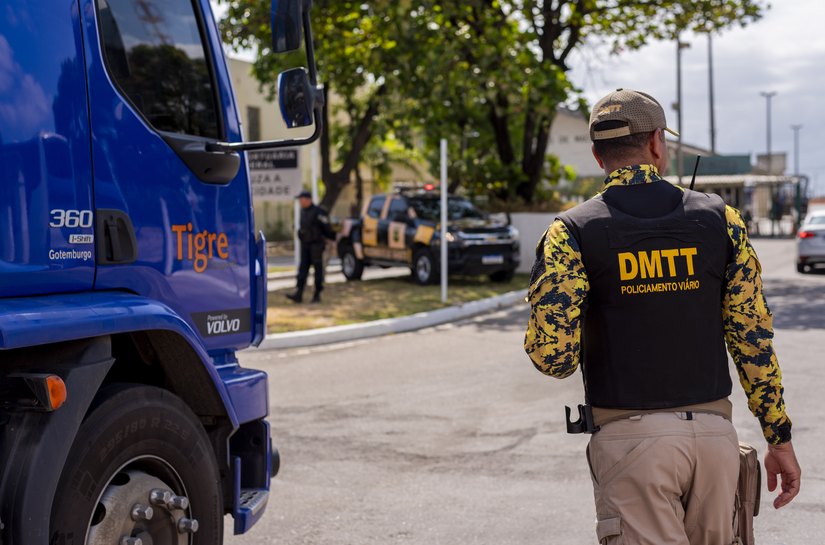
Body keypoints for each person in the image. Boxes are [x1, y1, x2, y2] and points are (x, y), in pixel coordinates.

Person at [524, 89, 801, 545]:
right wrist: (779, 439)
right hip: (716, 443)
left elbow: (552, 358)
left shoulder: (571, 232)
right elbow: (752, 341)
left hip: (629, 445)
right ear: (657, 143)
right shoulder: (722, 220)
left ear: (597, 154)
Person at [286, 191, 335, 303]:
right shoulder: (303, 212)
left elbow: (327, 228)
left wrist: (330, 238)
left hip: (316, 245)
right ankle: (299, 293)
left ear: (308, 199)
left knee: (318, 270)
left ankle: (317, 295)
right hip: (306, 245)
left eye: (301, 199)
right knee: (302, 270)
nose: (300, 202)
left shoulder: (319, 212)